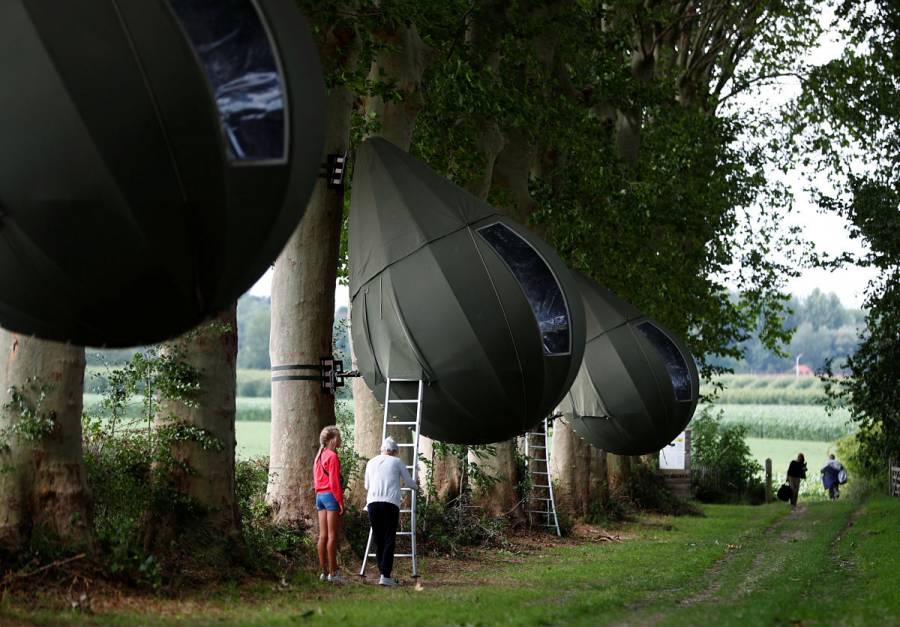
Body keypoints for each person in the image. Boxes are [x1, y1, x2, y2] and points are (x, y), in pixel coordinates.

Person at [364, 436, 415, 587]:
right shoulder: (397, 461)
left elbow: (367, 485)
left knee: (379, 538)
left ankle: (383, 573)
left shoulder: (371, 461)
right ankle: (385, 575)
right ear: (395, 452)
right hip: (390, 503)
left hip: (372, 503)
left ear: (382, 450)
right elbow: (410, 484)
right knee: (389, 538)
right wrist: (416, 483)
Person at [314, 425, 344, 584]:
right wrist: (340, 501)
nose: (340, 440)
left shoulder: (319, 455)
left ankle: (323, 573)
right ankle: (334, 573)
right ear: (331, 440)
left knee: (323, 535)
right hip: (330, 496)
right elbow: (334, 482)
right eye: (338, 438)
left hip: (319, 496)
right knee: (332, 535)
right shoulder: (332, 456)